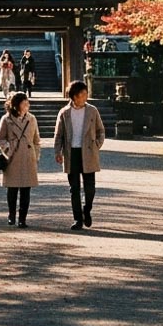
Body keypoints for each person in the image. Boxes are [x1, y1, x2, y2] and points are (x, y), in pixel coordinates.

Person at [53, 80, 105, 230]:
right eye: (82, 94)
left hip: (88, 151)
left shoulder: (92, 110)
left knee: (90, 188)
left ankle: (86, 210)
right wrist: (58, 152)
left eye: (85, 93)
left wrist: (97, 144)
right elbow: (58, 135)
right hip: (72, 152)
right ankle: (77, 219)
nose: (85, 96)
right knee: (74, 188)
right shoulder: (64, 112)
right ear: (74, 96)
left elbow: (101, 130)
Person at [0, 90, 41, 227]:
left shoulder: (32, 118)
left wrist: (35, 154)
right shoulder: (7, 119)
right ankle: (11, 214)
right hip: (13, 157)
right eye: (24, 102)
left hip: (28, 156)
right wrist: (8, 148)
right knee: (12, 189)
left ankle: (23, 218)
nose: (27, 105)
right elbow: (0, 138)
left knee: (26, 190)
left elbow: (36, 139)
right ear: (16, 104)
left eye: (27, 102)